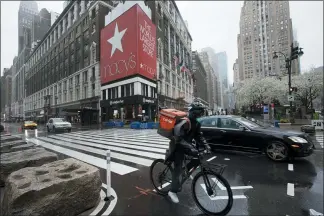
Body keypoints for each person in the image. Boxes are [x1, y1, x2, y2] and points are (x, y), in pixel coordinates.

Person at [167, 101, 210, 204]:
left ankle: (184, 171)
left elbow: (199, 136)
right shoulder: (185, 122)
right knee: (177, 169)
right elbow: (178, 138)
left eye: (200, 113)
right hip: (177, 146)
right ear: (192, 112)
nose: (199, 115)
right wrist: (191, 148)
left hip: (187, 146)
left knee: (197, 158)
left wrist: (206, 145)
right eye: (198, 112)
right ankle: (172, 191)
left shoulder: (197, 123)